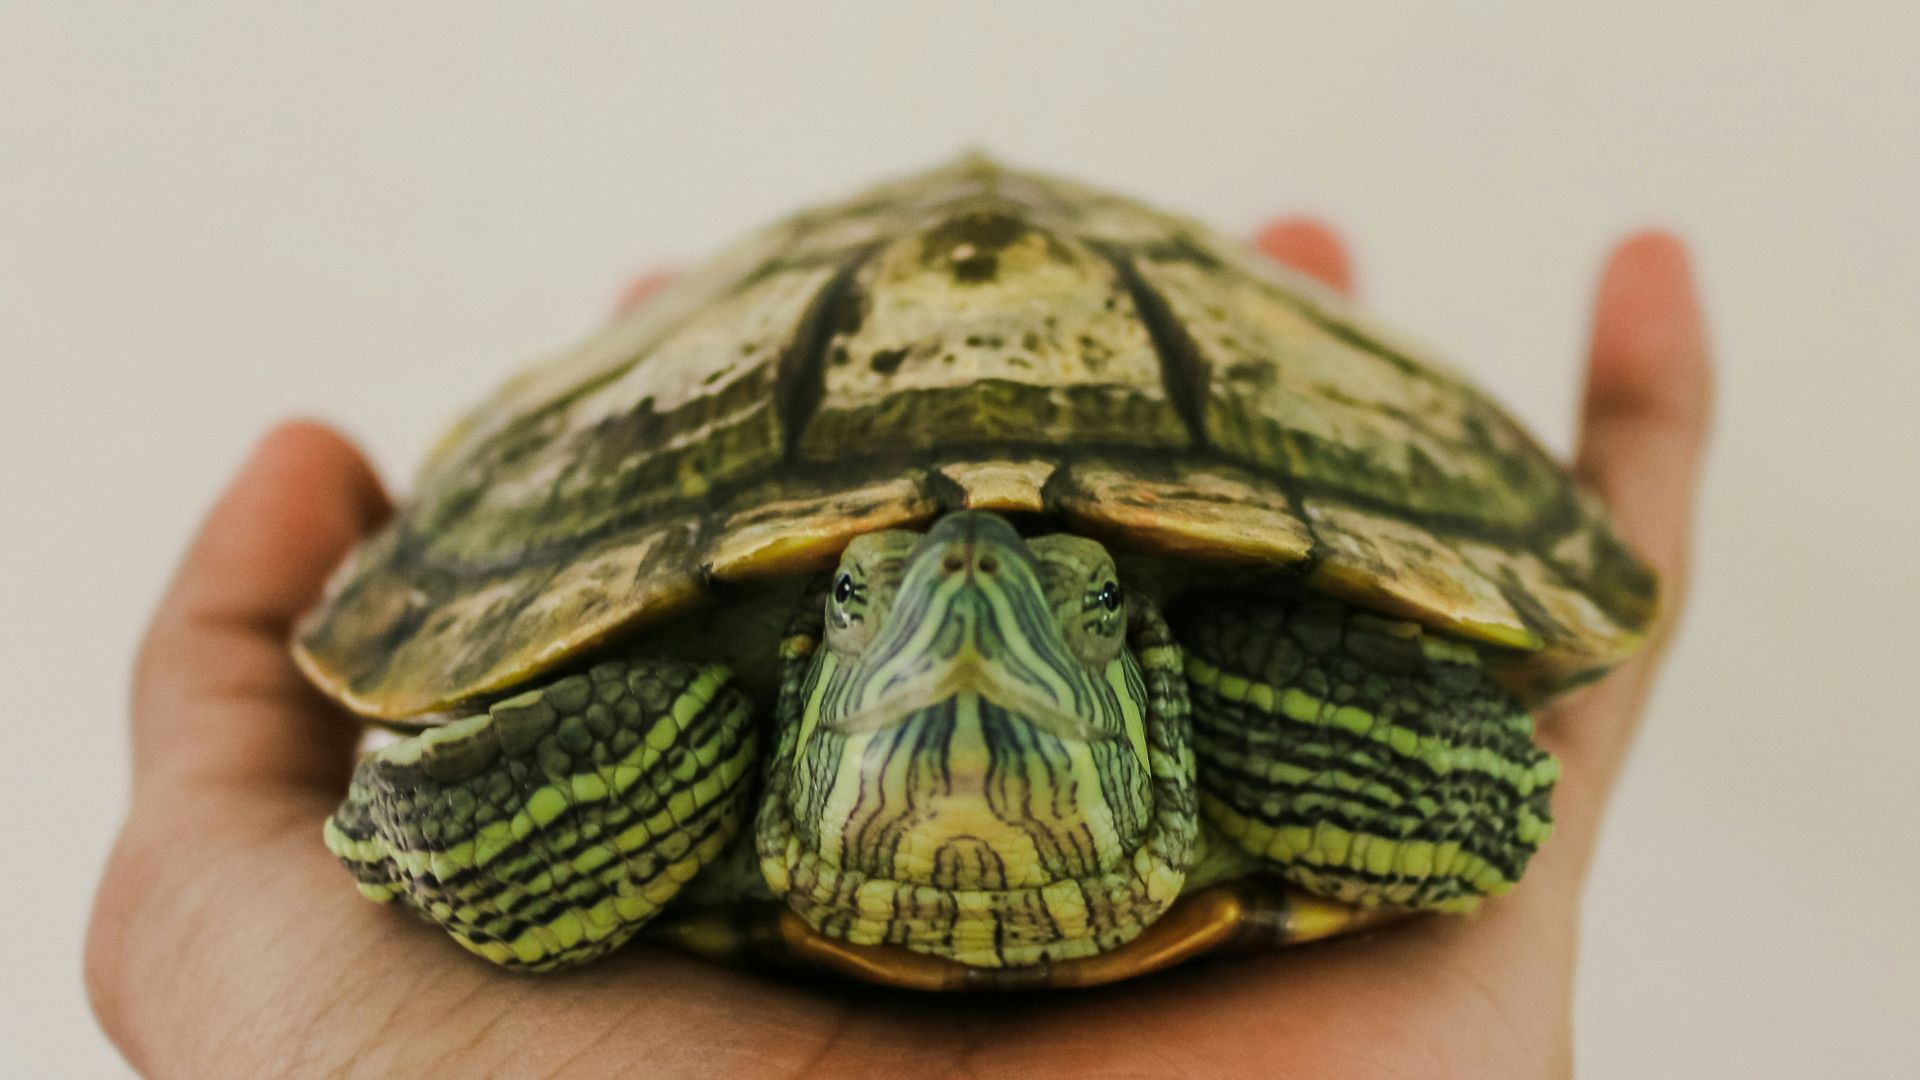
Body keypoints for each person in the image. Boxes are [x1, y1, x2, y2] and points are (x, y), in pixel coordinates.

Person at [86, 220, 1712, 1078]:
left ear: (1139, 656)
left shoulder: (1213, 699)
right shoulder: (710, 728)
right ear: (806, 668)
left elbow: (1487, 789)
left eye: (1067, 597)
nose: (964, 581)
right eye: (864, 598)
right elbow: (1494, 792)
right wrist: (445, 827)